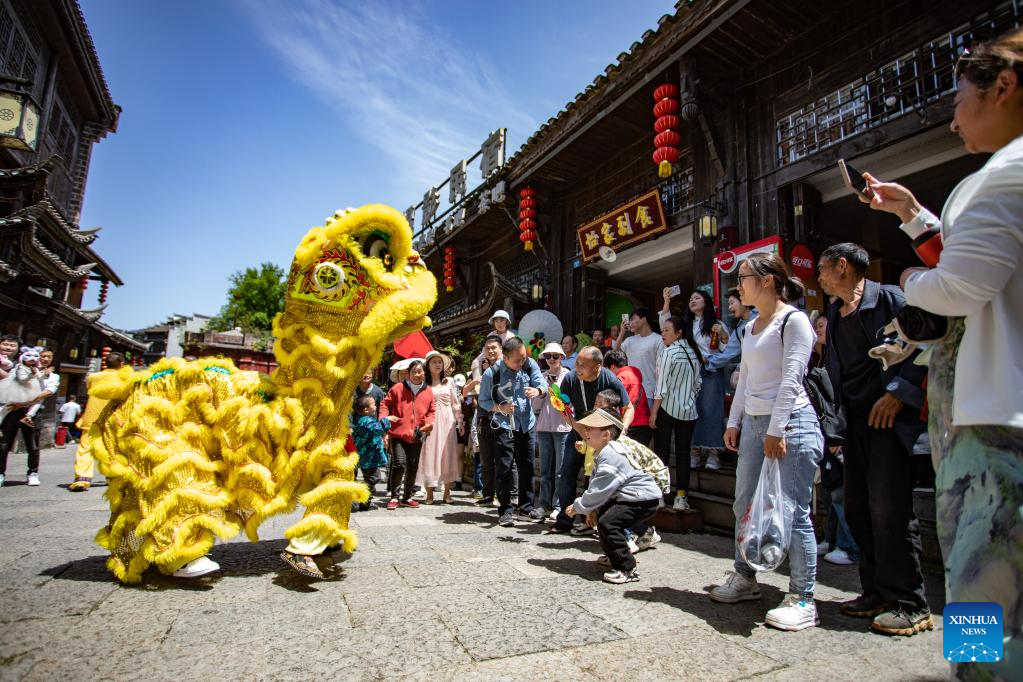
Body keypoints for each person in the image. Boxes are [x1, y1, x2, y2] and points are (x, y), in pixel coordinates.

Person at [853, 28, 1023, 665]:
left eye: (959, 100)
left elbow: (959, 285)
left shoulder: (1002, 175)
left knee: (978, 581)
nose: (952, 119)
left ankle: (975, 674)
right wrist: (914, 215)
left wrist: (909, 279)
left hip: (991, 425)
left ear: (1002, 87)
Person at [817, 242, 931, 636]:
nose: (818, 277)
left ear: (842, 267)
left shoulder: (892, 299)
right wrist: (835, 426)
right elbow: (837, 370)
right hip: (855, 425)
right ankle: (876, 591)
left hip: (890, 422)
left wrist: (899, 392)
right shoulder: (834, 310)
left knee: (890, 510)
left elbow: (926, 343)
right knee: (858, 507)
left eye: (823, 269)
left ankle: (909, 602)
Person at [710, 252, 824, 632]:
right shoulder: (750, 326)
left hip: (790, 423)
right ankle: (745, 577)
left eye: (743, 278)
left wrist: (777, 429)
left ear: (769, 280)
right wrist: (734, 420)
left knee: (792, 511)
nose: (738, 286)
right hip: (756, 425)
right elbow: (744, 378)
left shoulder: (795, 321)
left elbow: (793, 378)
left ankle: (803, 597)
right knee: (744, 503)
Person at [565, 408, 662, 584]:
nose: (585, 432)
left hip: (641, 500)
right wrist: (592, 509)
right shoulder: (603, 452)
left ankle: (627, 568)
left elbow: (599, 490)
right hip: (632, 498)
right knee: (604, 519)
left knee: (608, 523)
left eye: (591, 429)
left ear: (606, 435)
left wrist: (579, 506)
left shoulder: (611, 454)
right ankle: (615, 556)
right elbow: (599, 487)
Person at [550, 346, 633, 533]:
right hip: (579, 430)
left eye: (583, 364)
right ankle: (564, 520)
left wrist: (623, 430)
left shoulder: (610, 379)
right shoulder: (571, 378)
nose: (577, 367)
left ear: (597, 367)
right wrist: (579, 428)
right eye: (577, 362)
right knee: (566, 473)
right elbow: (563, 408)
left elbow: (628, 407)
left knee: (595, 477)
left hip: (603, 436)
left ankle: (590, 522)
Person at [478, 337, 546, 527]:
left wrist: (538, 391)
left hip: (527, 423)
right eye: (518, 360)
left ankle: (526, 508)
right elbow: (483, 401)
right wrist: (500, 408)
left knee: (527, 466)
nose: (522, 362)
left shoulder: (530, 365)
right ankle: (505, 510)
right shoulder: (492, 373)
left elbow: (542, 383)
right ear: (505, 358)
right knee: (504, 467)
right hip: (504, 425)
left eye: (524, 358)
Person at [649, 315, 702, 511]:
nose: (663, 334)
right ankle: (681, 497)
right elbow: (698, 385)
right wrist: (687, 398)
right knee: (683, 454)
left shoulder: (669, 353)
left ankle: (661, 495)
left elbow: (661, 387)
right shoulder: (694, 353)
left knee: (661, 453)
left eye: (667, 330)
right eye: (662, 330)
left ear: (678, 333)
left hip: (666, 408)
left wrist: (653, 412)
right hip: (689, 411)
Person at [673, 290, 729, 471]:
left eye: (697, 298)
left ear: (707, 301)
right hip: (689, 372)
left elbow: (727, 349)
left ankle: (713, 452)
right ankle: (695, 451)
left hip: (711, 371)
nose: (692, 301)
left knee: (712, 410)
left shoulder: (717, 324)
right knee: (692, 410)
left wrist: (723, 335)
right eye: (691, 298)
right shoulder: (685, 325)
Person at [379, 359, 435, 510]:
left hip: (417, 435)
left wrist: (429, 423)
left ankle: (407, 497)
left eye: (420, 371)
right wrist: (384, 418)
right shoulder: (398, 388)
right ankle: (394, 497)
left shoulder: (428, 391)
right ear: (408, 374)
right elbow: (385, 404)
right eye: (414, 372)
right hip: (398, 434)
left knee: (413, 466)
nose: (417, 375)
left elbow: (431, 411)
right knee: (399, 464)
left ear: (424, 372)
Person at [68, 352, 126, 492]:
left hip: (92, 416)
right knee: (112, 448)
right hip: (113, 417)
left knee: (85, 448)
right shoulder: (124, 378)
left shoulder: (93, 377)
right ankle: (112, 476)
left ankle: (81, 479)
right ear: (122, 364)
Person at [0, 347, 57, 487]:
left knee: (32, 445)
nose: (44, 359)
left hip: (31, 412)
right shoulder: (18, 368)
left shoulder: (52, 376)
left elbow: (47, 392)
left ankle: (33, 472)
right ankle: (1, 473)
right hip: (12, 409)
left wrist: (24, 402)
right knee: (4, 444)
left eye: (48, 357)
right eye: (42, 356)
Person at [531, 342, 571, 520]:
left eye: (555, 356)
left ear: (562, 357)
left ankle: (558, 505)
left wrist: (555, 390)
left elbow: (568, 402)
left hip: (563, 426)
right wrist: (541, 393)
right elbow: (536, 405)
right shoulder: (541, 376)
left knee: (561, 469)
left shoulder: (568, 376)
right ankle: (544, 504)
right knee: (546, 469)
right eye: (548, 356)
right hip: (544, 425)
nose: (552, 360)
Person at [419, 351, 464, 504]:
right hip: (431, 422)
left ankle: (447, 492)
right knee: (430, 454)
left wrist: (460, 421)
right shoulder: (424, 383)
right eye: (434, 362)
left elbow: (456, 404)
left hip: (447, 421)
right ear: (428, 366)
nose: (438, 364)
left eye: (440, 362)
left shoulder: (449, 382)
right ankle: (429, 493)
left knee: (448, 454)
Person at [465, 335, 504, 505]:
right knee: (486, 458)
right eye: (487, 348)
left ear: (501, 349)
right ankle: (488, 493)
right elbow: (465, 393)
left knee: (502, 458)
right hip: (483, 416)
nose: (491, 351)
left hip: (502, 417)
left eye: (494, 347)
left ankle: (503, 495)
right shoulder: (479, 369)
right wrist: (474, 382)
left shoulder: (507, 367)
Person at [615, 307, 662, 413]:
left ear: (644, 320)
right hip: (629, 391)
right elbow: (614, 353)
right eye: (629, 320)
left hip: (649, 392)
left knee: (645, 426)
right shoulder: (630, 340)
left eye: (633, 319)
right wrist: (622, 332)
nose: (630, 323)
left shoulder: (658, 340)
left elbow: (661, 369)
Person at [602, 348, 652, 446]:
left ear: (612, 367)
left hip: (631, 427)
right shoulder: (633, 375)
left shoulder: (621, 378)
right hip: (643, 424)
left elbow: (612, 400)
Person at [351, 395, 392, 510]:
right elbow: (377, 429)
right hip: (368, 457)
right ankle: (359, 497)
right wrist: (386, 420)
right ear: (366, 409)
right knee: (373, 478)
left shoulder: (364, 419)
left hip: (369, 456)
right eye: (373, 404)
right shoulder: (365, 421)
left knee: (372, 478)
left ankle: (365, 502)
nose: (376, 406)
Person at [708, 288, 758, 374]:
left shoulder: (761, 315)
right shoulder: (738, 330)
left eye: (732, 303)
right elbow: (728, 353)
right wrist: (707, 361)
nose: (729, 307)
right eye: (729, 304)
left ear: (743, 300)